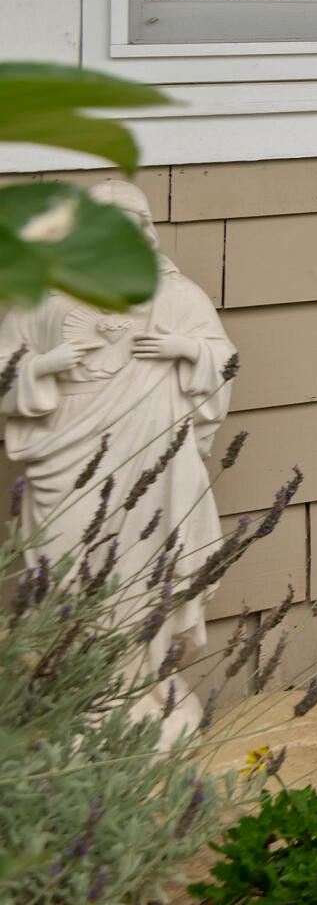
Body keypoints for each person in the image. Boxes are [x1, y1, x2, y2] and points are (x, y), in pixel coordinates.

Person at [1, 180, 236, 737]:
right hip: (67, 453)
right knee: (65, 566)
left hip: (152, 455)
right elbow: (5, 363)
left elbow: (222, 358)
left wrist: (186, 350)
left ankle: (142, 689)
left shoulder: (175, 295)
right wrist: (46, 364)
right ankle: (71, 695)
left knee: (141, 567)